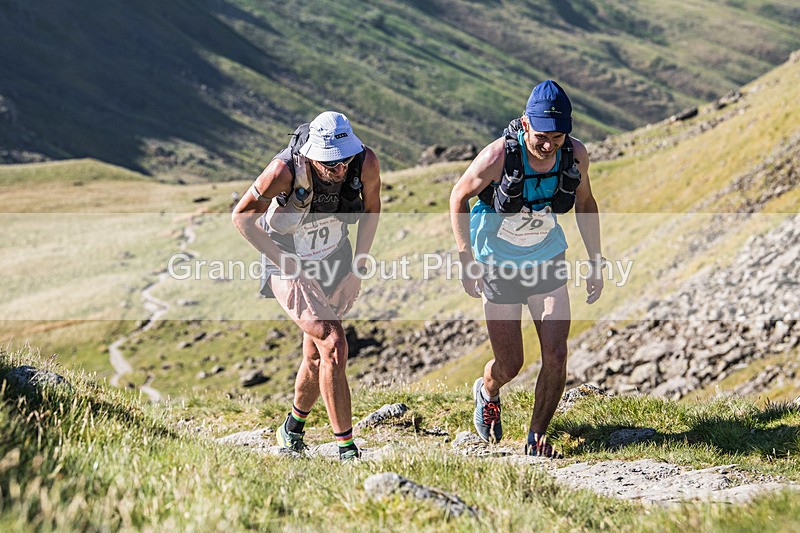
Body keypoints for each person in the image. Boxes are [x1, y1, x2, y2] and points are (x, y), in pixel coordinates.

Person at [449, 80, 604, 458]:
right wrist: (466, 259)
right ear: (524, 124)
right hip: (497, 265)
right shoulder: (498, 156)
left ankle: (536, 437)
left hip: (546, 259)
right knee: (510, 364)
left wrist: (595, 260)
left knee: (556, 353)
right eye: (541, 137)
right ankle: (488, 391)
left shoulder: (575, 155)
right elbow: (458, 197)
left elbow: (585, 203)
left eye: (557, 137)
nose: (549, 145)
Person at [232, 111, 381, 460]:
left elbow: (372, 209)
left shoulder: (365, 162)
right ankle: (347, 450)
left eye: (344, 160)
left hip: (335, 257)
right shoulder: (283, 171)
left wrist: (357, 269)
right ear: (312, 155)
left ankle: (292, 428)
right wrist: (289, 268)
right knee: (333, 343)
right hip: (286, 259)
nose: (339, 169)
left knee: (316, 356)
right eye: (329, 163)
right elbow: (242, 217)